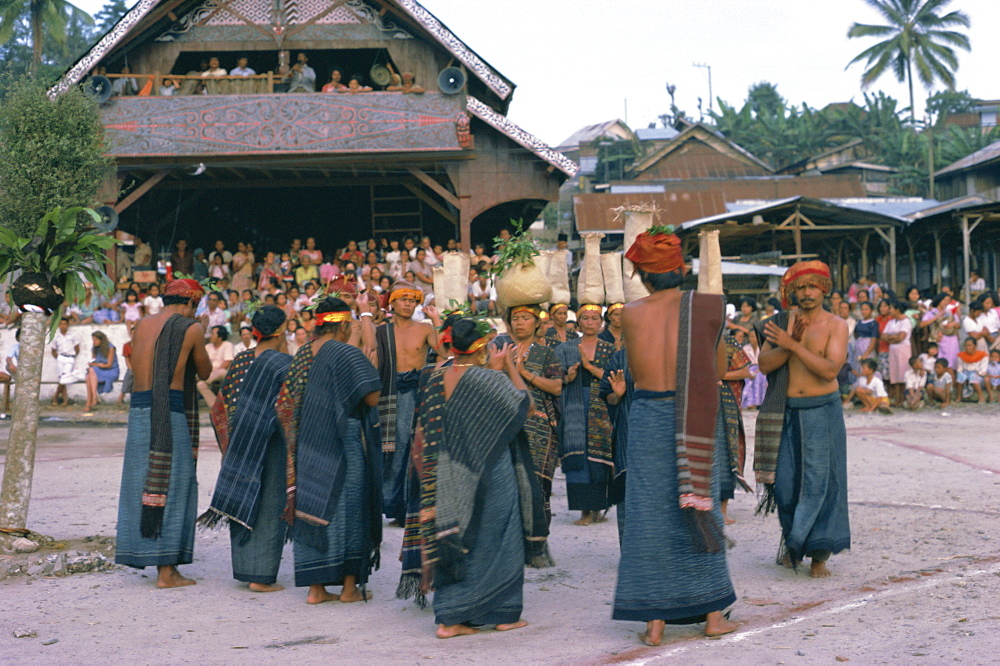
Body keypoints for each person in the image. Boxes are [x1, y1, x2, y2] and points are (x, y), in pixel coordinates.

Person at [613, 227, 738, 644]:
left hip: (647, 413)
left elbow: (634, 369)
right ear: (680, 270)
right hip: (695, 413)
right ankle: (714, 616)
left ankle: (655, 623)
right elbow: (717, 371)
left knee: (649, 514)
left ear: (643, 275)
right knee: (700, 507)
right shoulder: (710, 307)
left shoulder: (630, 313)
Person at [413, 318, 548, 638]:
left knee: (457, 538)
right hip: (490, 470)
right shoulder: (486, 379)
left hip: (450, 471)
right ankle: (504, 613)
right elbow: (526, 406)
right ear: (479, 348)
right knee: (501, 537)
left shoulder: (434, 377)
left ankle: (450, 616)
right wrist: (510, 369)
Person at [275, 298, 383, 604]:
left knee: (314, 508)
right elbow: (372, 398)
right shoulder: (347, 352)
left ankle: (316, 589)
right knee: (350, 508)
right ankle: (349, 588)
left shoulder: (302, 354)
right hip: (342, 439)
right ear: (345, 325)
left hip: (308, 440)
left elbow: (285, 402)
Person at [755, 261, 850, 579]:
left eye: (813, 286)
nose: (807, 293)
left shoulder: (836, 325)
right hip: (786, 410)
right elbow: (765, 365)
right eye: (800, 287)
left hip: (823, 409)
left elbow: (828, 370)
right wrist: (786, 344)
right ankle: (793, 540)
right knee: (784, 485)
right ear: (791, 291)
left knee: (822, 483)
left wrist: (793, 344)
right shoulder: (781, 322)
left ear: (824, 288)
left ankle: (819, 555)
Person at [115, 279, 211, 588]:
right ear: (192, 301)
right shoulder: (190, 327)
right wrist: (201, 331)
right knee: (176, 483)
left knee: (141, 482)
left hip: (140, 409)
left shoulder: (141, 324)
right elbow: (205, 372)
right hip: (168, 411)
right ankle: (167, 571)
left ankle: (143, 551)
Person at [201, 306, 291, 592]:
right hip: (271, 445)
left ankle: (245, 569)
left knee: (243, 498)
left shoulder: (239, 360)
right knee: (270, 505)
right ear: (280, 331)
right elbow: (289, 409)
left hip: (240, 445)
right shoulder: (285, 363)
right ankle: (262, 577)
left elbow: (221, 407)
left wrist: (231, 445)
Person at [374, 282, 438, 523]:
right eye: (403, 299)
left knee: (412, 447)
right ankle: (391, 503)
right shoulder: (382, 331)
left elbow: (444, 351)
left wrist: (437, 320)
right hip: (387, 394)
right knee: (391, 449)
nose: (408, 304)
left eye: (413, 300)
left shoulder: (424, 328)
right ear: (392, 302)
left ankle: (410, 506)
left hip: (415, 392)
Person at [500, 305, 563, 529]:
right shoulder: (500, 349)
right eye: (515, 318)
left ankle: (537, 538)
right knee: (507, 481)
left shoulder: (546, 353)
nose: (519, 322)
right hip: (505, 423)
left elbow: (556, 387)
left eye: (525, 318)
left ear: (537, 323)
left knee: (536, 483)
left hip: (539, 427)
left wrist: (524, 373)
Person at [555, 303, 615, 526]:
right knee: (577, 455)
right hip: (573, 405)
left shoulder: (610, 350)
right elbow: (554, 378)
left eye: (595, 318)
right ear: (578, 322)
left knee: (599, 457)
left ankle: (598, 506)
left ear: (601, 322)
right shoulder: (564, 349)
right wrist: (567, 377)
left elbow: (615, 379)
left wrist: (590, 368)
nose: (590, 322)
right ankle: (584, 510)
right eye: (585, 318)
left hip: (601, 406)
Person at [719, 334, 754, 524]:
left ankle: (722, 510)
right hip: (698, 403)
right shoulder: (689, 337)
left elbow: (745, 371)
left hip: (727, 405)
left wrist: (718, 376)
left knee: (727, 452)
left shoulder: (729, 342)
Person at [882, 300, 913, 406]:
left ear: (897, 310)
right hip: (893, 349)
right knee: (894, 374)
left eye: (891, 308)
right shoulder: (891, 322)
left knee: (903, 373)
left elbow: (901, 337)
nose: (889, 310)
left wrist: (891, 338)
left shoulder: (906, 321)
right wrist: (893, 337)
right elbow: (883, 336)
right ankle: (897, 398)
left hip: (903, 349)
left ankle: (903, 398)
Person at [196, 326, 234, 407]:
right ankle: (216, 407)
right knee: (200, 385)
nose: (210, 336)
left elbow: (227, 362)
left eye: (213, 334)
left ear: (220, 337)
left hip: (223, 372)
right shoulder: (207, 347)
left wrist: (208, 375)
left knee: (221, 372)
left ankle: (202, 378)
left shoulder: (227, 345)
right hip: (210, 373)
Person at [83, 331, 120, 414]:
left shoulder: (110, 348)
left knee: (92, 371)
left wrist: (97, 365)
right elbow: (93, 361)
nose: (94, 342)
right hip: (99, 370)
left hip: (111, 370)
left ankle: (92, 400)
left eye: (95, 340)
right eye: (93, 340)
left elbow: (109, 365)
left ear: (101, 340)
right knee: (89, 373)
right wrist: (92, 363)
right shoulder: (95, 348)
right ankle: (91, 401)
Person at [50, 317, 80, 407]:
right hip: (61, 358)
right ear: (59, 325)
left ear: (68, 325)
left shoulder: (73, 335)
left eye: (64, 324)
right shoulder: (56, 336)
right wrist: (59, 357)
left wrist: (72, 357)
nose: (62, 326)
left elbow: (77, 348)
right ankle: (65, 400)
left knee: (64, 377)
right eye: (61, 324)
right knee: (62, 378)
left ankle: (55, 397)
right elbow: (53, 350)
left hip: (70, 357)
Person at [956, 338, 988, 403]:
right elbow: (960, 368)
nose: (968, 347)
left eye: (970, 345)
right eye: (966, 346)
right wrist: (962, 373)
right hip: (965, 373)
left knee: (973, 376)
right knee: (960, 375)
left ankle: (981, 397)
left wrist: (976, 374)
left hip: (978, 375)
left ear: (975, 346)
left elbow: (983, 370)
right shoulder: (961, 356)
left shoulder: (983, 355)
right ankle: (959, 397)